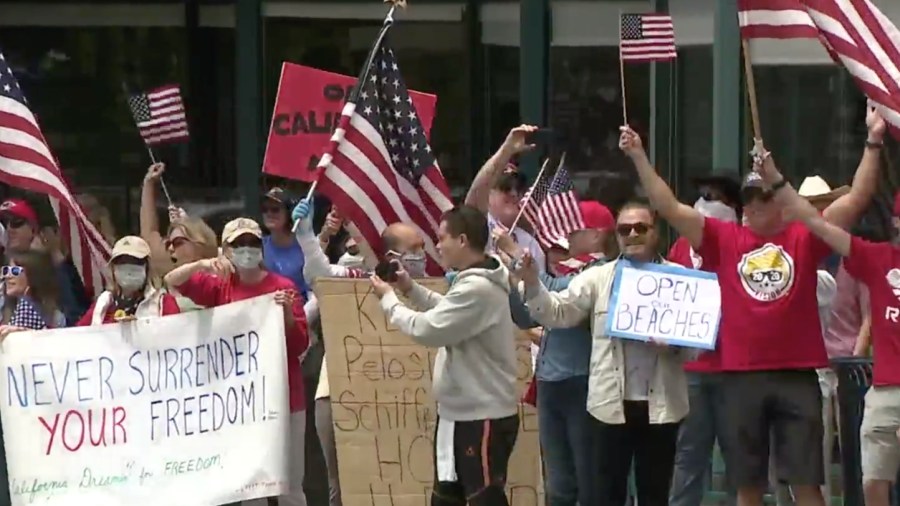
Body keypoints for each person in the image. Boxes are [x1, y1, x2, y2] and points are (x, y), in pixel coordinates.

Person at [619, 104, 883, 506]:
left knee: (806, 482)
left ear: (783, 201)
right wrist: (639, 155)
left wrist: (873, 140)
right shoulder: (724, 239)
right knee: (748, 485)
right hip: (739, 376)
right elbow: (669, 207)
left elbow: (858, 197)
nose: (754, 206)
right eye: (748, 199)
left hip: (797, 373)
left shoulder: (805, 235)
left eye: (763, 198)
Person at [517, 200, 693, 506]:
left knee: (655, 496)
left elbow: (699, 344)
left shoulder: (680, 278)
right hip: (610, 406)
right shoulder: (598, 277)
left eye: (641, 227)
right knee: (604, 496)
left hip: (662, 405)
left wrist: (676, 345)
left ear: (656, 231)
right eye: (625, 229)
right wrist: (532, 283)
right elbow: (558, 313)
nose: (633, 234)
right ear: (617, 235)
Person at [751, 140, 897, 506]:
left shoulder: (833, 270)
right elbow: (816, 222)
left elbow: (852, 200)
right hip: (882, 388)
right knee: (871, 481)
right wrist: (776, 181)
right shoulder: (877, 257)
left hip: (827, 371)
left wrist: (873, 141)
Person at [369, 205, 519, 506]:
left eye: (441, 238)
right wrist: (410, 288)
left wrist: (388, 299)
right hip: (457, 415)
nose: (437, 246)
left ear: (462, 240)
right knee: (446, 499)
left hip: (481, 417)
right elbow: (448, 311)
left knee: (484, 499)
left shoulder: (478, 288)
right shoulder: (473, 281)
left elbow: (428, 329)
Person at [292, 197, 428, 506]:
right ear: (393, 255)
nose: (422, 255)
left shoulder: (431, 289)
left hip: (404, 401)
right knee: (343, 489)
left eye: (422, 248)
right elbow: (320, 276)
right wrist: (305, 235)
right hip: (340, 396)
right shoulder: (357, 281)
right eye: (415, 250)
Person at [164, 217, 310, 506]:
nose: (246, 250)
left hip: (285, 398)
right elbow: (171, 281)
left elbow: (299, 345)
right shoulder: (220, 286)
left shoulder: (284, 287)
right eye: (238, 244)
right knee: (249, 486)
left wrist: (287, 316)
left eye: (252, 244)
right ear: (226, 250)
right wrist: (202, 265)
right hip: (242, 402)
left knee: (290, 486)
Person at [502, 199, 614, 506]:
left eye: (574, 229)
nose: (566, 235)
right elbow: (528, 317)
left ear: (596, 235)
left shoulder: (602, 272)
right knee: (558, 479)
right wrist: (512, 280)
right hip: (552, 379)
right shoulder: (566, 271)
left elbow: (556, 296)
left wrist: (516, 254)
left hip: (582, 379)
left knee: (587, 474)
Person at [667, 194, 739, 506]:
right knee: (688, 453)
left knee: (739, 455)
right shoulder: (680, 249)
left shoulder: (737, 249)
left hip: (733, 368)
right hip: (692, 369)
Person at [465, 125, 546, 273]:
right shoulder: (479, 227)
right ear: (488, 194)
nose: (514, 194)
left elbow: (541, 288)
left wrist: (514, 251)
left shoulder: (530, 243)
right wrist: (506, 150)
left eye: (519, 188)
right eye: (506, 187)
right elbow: (475, 199)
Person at [0, 198, 89, 324]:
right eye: (4, 223)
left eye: (16, 223)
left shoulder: (59, 270)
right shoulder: (5, 273)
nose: (9, 229)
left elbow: (73, 319)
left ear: (33, 229)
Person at [76, 236, 180, 325]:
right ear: (113, 269)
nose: (129, 268)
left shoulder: (163, 303)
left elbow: (178, 337)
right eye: (122, 262)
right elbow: (76, 336)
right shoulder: (103, 305)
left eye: (135, 262)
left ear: (147, 267)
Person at [140, 163, 219, 278]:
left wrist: (187, 224)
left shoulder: (221, 274)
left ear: (200, 244)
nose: (171, 249)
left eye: (178, 243)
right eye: (168, 244)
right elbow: (149, 232)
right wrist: (149, 183)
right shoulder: (169, 269)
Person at [262, 187, 310, 299]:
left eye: (275, 209)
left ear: (288, 213)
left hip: (301, 311)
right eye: (265, 209)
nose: (269, 213)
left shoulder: (305, 246)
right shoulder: (258, 245)